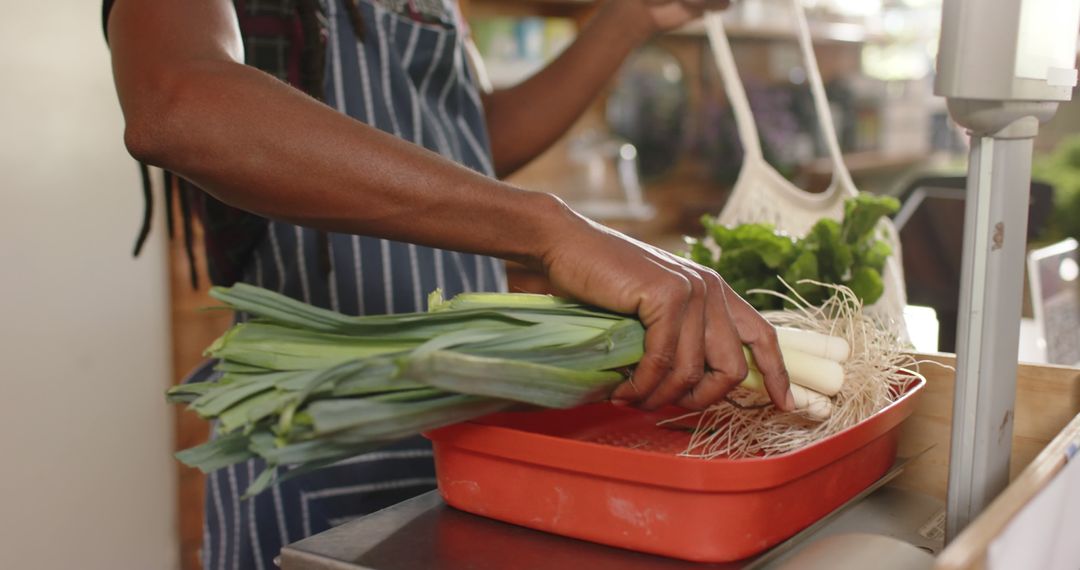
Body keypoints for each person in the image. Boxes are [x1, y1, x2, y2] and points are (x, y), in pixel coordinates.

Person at [103, 0, 795, 567]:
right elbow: (179, 101)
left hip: (474, 444)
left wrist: (631, 16)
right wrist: (552, 230)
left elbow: (462, 143)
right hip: (321, 445)